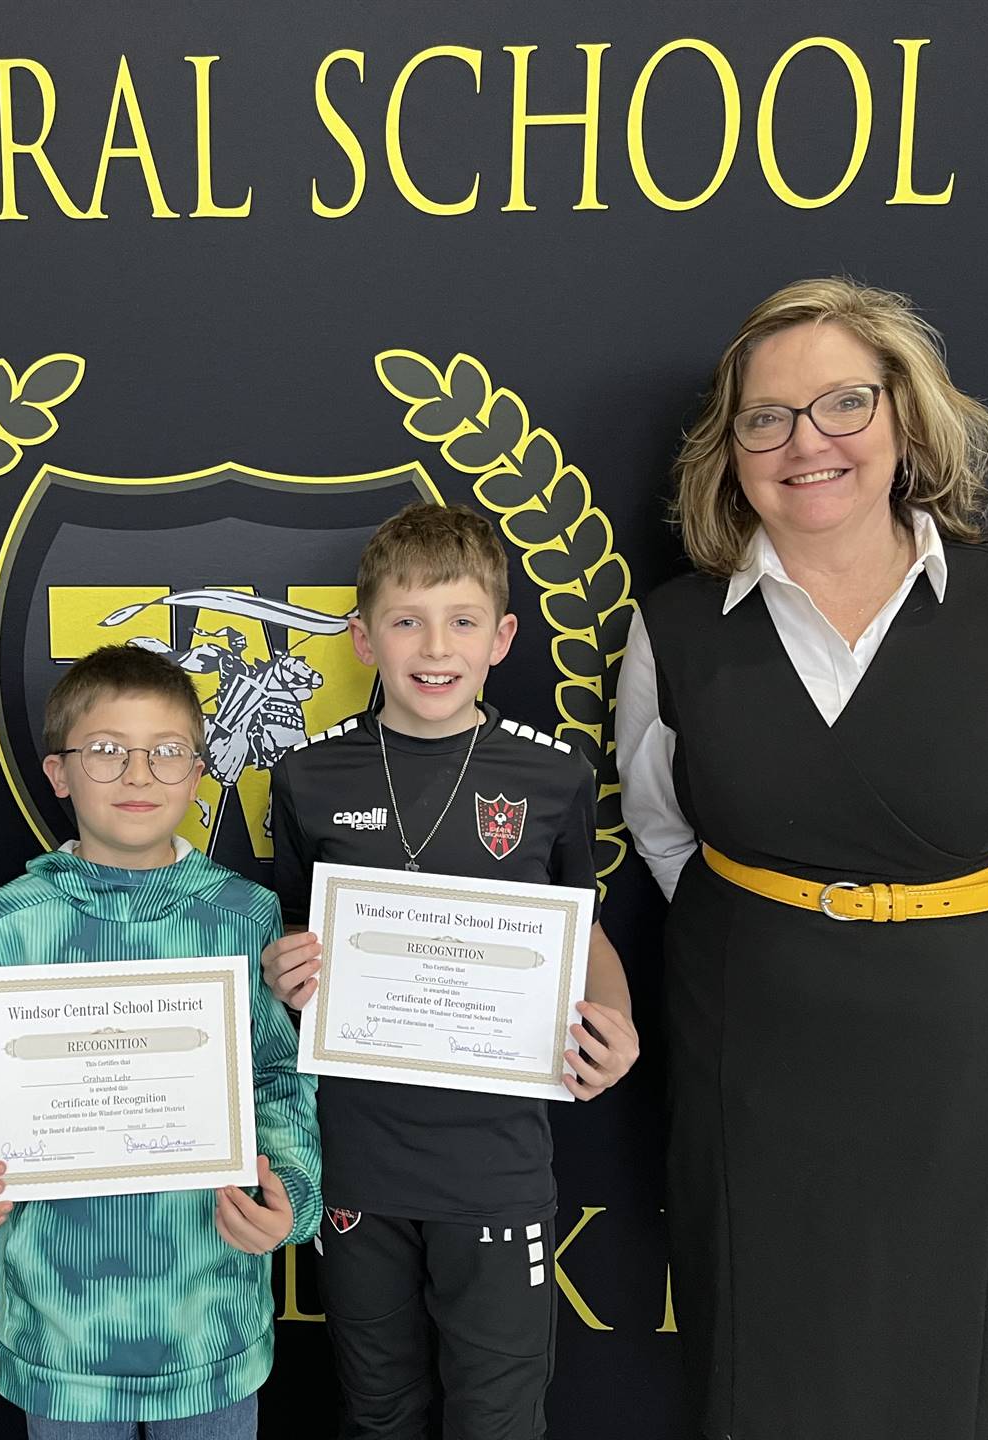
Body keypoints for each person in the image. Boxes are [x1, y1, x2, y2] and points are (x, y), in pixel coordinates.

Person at [614, 277, 988, 1440]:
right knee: (759, 1347)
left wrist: (960, 947)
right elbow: (664, 825)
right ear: (731, 451)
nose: (808, 443)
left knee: (952, 1351)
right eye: (767, 418)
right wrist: (779, 928)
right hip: (753, 1032)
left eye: (843, 403)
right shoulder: (674, 628)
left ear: (904, 418)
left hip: (969, 1040)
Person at [261, 502, 639, 1440]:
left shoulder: (552, 775)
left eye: (462, 620)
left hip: (496, 1158)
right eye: (407, 620)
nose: (436, 648)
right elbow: (291, 928)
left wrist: (617, 1025)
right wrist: (282, 971)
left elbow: (583, 929)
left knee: (498, 1416)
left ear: (501, 638)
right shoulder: (307, 777)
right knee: (378, 1409)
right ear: (363, 638)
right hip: (360, 1155)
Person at [0, 644, 322, 1439]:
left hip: (211, 1326)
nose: (138, 775)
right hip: (59, 1338)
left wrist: (290, 1196)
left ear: (198, 772)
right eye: (106, 751)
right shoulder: (9, 924)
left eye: (166, 752)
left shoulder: (243, 916)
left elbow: (275, 1079)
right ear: (59, 773)